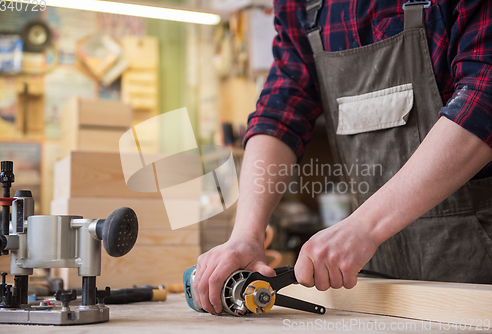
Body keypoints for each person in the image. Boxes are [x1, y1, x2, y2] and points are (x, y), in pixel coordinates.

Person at [192, 0, 492, 315]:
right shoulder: (301, 5)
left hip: (478, 279)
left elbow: (482, 99)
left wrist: (365, 227)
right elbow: (280, 111)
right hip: (379, 287)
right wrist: (246, 234)